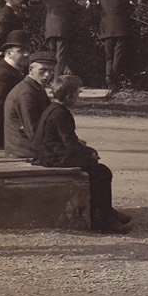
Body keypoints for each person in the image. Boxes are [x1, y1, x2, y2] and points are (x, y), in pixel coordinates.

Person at [32, 75, 132, 234]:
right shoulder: (62, 114)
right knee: (102, 172)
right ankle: (104, 219)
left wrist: (83, 149)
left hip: (49, 153)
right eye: (77, 93)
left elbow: (66, 140)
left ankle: (105, 212)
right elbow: (70, 145)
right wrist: (90, 153)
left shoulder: (52, 108)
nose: (78, 96)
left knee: (96, 169)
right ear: (68, 97)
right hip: (54, 158)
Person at [4, 51, 57, 159]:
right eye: (43, 70)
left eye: (51, 71)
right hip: (23, 149)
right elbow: (33, 131)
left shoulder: (35, 88)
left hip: (29, 146)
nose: (47, 75)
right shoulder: (26, 93)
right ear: (31, 70)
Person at [96, 0, 134, 94]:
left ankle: (108, 77)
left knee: (109, 57)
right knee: (118, 56)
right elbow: (131, 8)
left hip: (106, 30)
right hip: (120, 30)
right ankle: (114, 79)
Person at [43, 0, 81, 79]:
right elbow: (78, 10)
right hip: (62, 30)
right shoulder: (68, 0)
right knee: (60, 56)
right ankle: (56, 81)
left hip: (49, 31)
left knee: (53, 55)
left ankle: (50, 77)